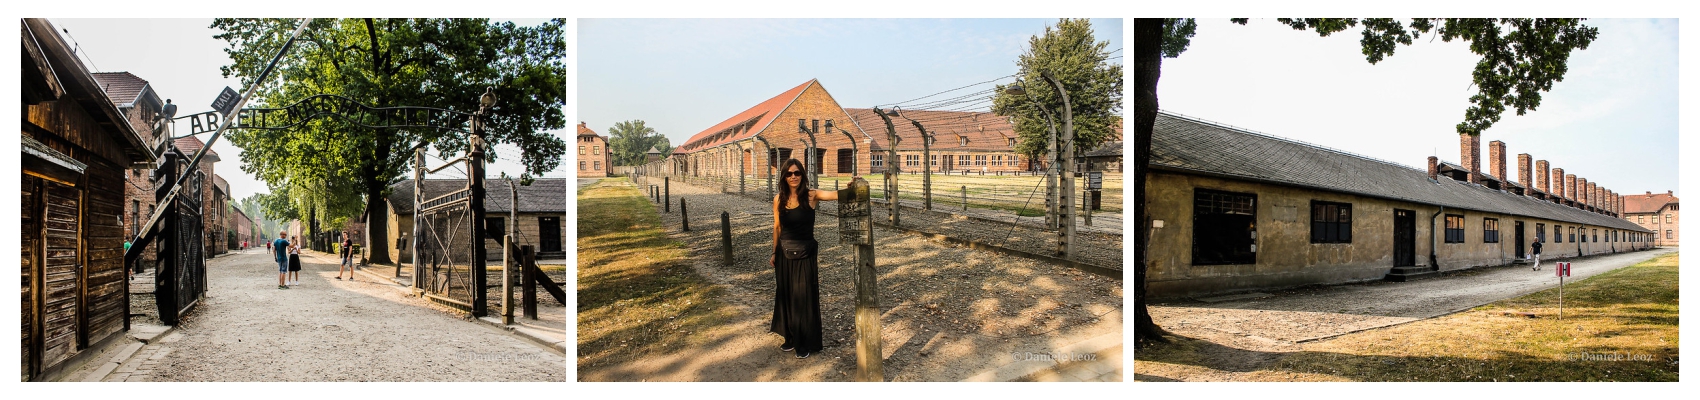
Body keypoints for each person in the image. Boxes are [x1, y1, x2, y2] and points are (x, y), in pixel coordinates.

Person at [768, 158, 843, 359]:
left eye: (797, 173)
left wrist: (853, 187)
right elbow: (777, 227)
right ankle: (790, 337)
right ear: (784, 177)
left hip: (805, 254)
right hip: (784, 254)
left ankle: (804, 341)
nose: (793, 177)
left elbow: (836, 195)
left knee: (804, 296)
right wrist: (774, 252)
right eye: (789, 173)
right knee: (786, 295)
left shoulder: (812, 195)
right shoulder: (778, 199)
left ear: (802, 175)